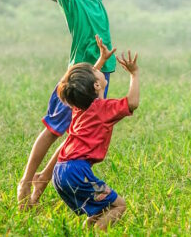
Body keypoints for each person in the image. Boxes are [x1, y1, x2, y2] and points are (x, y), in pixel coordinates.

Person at [17, 0, 148, 208]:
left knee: (78, 133)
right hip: (78, 76)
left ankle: (40, 188)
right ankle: (26, 183)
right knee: (53, 130)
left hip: (102, 74)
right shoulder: (70, 3)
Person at [53, 44, 139, 230]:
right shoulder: (104, 109)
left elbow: (86, 83)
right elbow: (132, 102)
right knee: (119, 205)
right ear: (97, 85)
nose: (96, 69)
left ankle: (88, 230)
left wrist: (101, 60)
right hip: (77, 173)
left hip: (60, 171)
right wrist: (134, 74)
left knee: (99, 210)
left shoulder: (79, 105)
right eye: (95, 71)